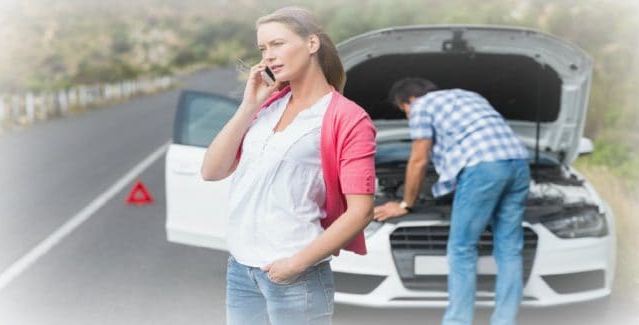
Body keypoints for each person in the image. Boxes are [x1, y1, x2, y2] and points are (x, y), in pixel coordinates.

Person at [200, 6, 376, 325]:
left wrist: (296, 264)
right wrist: (248, 105)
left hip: (295, 276)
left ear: (311, 44)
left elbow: (360, 211)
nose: (268, 56)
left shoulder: (348, 119)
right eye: (263, 49)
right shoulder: (268, 106)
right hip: (242, 271)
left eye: (277, 44)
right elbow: (211, 170)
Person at [373, 78, 530, 325]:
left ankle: (457, 321)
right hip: (519, 164)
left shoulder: (421, 106)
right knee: (510, 249)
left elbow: (418, 160)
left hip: (483, 168)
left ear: (410, 101)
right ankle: (504, 320)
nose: (408, 116)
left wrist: (405, 204)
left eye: (404, 111)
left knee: (462, 249)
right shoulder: (470, 95)